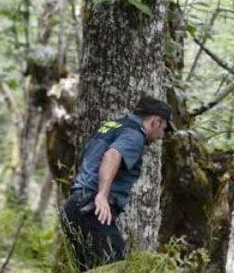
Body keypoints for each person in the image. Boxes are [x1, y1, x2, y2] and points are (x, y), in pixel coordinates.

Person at [60, 95, 173, 271]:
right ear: (156, 122)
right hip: (90, 209)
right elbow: (112, 155)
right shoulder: (134, 135)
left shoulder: (114, 127)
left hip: (74, 207)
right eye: (164, 129)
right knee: (116, 266)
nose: (162, 136)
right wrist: (102, 195)